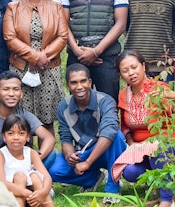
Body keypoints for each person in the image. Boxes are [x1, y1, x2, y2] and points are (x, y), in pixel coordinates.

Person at [113, 50, 175, 207]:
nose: (131, 73)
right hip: (142, 151)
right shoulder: (123, 95)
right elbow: (124, 125)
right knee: (130, 173)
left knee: (157, 149)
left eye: (134, 67)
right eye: (125, 70)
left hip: (172, 144)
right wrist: (132, 143)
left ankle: (166, 200)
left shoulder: (159, 88)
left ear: (143, 66)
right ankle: (163, 178)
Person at [53, 0, 128, 102]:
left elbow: (121, 23)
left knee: (108, 105)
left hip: (107, 57)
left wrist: (96, 51)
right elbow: (63, 23)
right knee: (78, 107)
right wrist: (77, 50)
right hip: (77, 55)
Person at [3, 0, 69, 130]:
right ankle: (26, 155)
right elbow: (10, 38)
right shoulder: (13, 8)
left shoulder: (56, 7)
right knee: (20, 121)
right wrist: (34, 56)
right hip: (21, 69)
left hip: (48, 68)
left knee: (46, 121)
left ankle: (46, 156)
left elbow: (63, 36)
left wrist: (42, 57)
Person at [45, 64, 125, 195]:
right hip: (83, 152)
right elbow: (65, 138)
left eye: (83, 81)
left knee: (116, 136)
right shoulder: (63, 106)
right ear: (68, 86)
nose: (79, 87)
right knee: (54, 170)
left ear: (90, 82)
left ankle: (112, 188)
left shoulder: (105, 100)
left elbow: (110, 131)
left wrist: (88, 162)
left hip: (107, 151)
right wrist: (69, 154)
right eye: (74, 83)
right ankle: (92, 178)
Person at [0, 71, 56, 176]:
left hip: (25, 164)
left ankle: (27, 179)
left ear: (21, 94)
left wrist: (35, 160)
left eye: (16, 89)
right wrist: (8, 167)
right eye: (6, 89)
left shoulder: (26, 115)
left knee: (51, 154)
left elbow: (49, 138)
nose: (11, 94)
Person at [0, 118, 58, 207]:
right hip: (8, 197)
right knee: (20, 176)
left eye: (21, 133)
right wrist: (27, 193)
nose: (16, 137)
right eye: (10, 133)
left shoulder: (31, 153)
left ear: (27, 136)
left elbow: (47, 177)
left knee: (34, 176)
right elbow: (1, 182)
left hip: (31, 199)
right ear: (4, 136)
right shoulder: (0, 154)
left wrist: (42, 192)